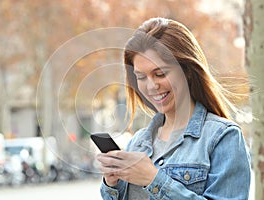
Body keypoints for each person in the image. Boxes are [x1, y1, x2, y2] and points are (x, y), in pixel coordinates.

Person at [96, 17, 251, 199]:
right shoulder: (137, 142)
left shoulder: (223, 137)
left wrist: (153, 179)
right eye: (141, 77)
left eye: (160, 74)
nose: (151, 86)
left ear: (187, 71)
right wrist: (112, 184)